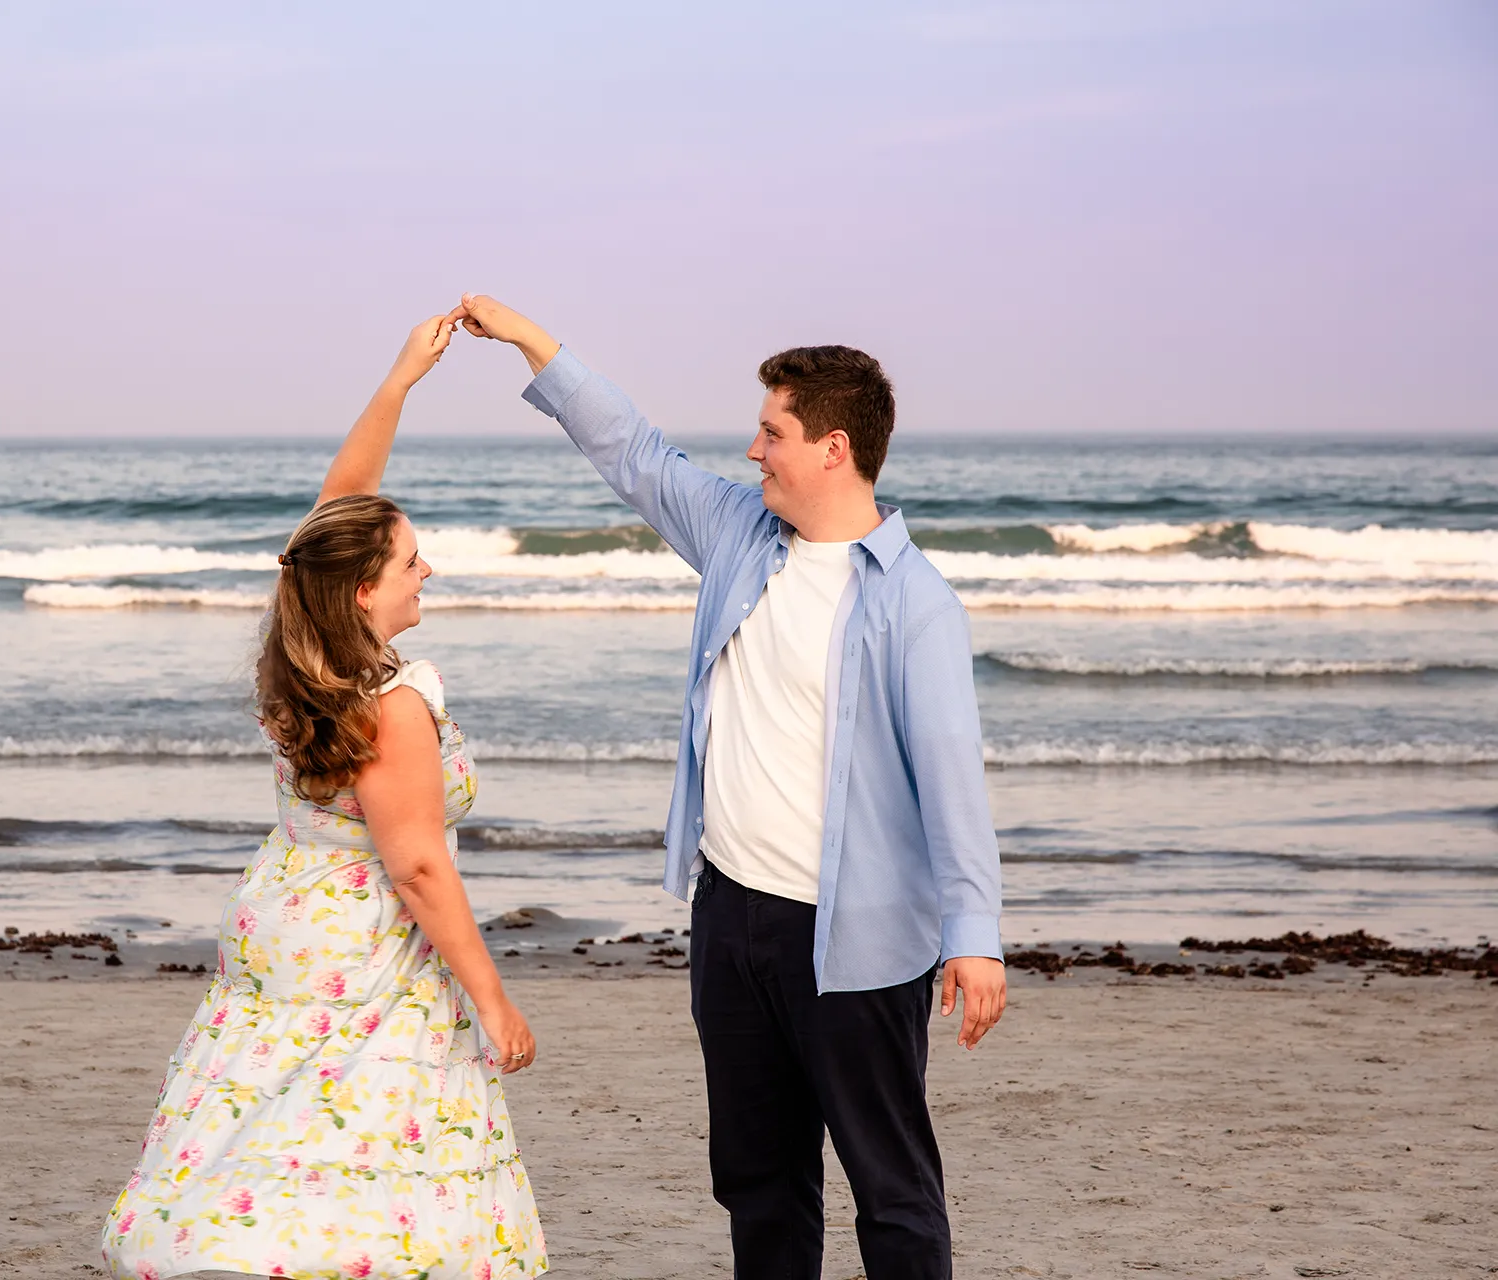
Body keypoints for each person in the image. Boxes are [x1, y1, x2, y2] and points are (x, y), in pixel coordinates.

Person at [455, 295, 1005, 1280]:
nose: (754, 451)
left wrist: (973, 935)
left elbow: (951, 773)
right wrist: (537, 343)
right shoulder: (741, 537)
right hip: (731, 916)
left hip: (857, 936)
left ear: (834, 446)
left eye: (773, 431)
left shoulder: (916, 604)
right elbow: (637, 454)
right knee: (757, 1180)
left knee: (892, 1187)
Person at [101, 313, 548, 1280]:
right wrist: (492, 995)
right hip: (366, 938)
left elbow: (336, 515)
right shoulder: (392, 702)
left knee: (269, 1099)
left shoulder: (299, 655)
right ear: (360, 591)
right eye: (410, 561)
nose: (427, 568)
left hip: (284, 914)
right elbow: (420, 866)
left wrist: (399, 383)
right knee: (374, 1130)